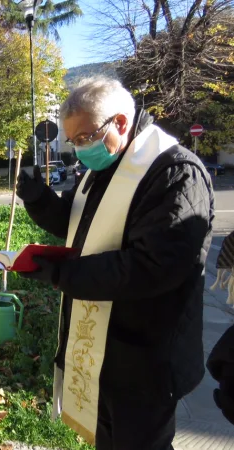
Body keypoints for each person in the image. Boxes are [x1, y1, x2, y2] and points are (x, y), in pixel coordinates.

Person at [16, 76, 214, 449]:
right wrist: (40, 199)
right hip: (107, 355)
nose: (78, 149)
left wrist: (63, 274)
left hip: (145, 361)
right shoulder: (102, 167)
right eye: (73, 140)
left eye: (84, 137)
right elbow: (76, 224)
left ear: (120, 123)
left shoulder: (174, 173)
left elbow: (151, 267)